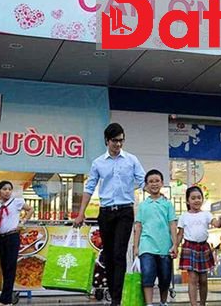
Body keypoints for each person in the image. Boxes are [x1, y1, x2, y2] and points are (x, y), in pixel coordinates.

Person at [73, 123, 145, 306]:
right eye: (114, 141)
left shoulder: (131, 160)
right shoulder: (98, 163)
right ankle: (113, 294)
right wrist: (81, 213)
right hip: (105, 212)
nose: (118, 144)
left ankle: (116, 299)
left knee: (120, 253)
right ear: (107, 141)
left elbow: (143, 181)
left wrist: (155, 195)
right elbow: (89, 188)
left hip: (125, 211)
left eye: (121, 140)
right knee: (109, 254)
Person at [132, 170, 179, 306]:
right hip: (146, 246)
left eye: (157, 181)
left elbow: (172, 225)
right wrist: (136, 247)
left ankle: (163, 302)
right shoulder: (142, 205)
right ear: (146, 185)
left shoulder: (167, 204)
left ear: (162, 183)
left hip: (165, 247)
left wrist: (175, 244)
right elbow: (138, 226)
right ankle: (149, 304)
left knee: (165, 278)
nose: (154, 184)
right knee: (147, 276)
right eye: (151, 181)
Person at [177, 186, 221, 306]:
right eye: (193, 198)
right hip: (189, 247)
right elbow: (180, 234)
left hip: (203, 247)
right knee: (193, 278)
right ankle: (194, 304)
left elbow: (217, 224)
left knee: (203, 280)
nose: (197, 200)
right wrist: (174, 247)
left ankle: (202, 304)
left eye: (199, 197)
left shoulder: (206, 214)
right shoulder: (184, 216)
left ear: (202, 199)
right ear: (187, 201)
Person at [0, 180, 33, 306]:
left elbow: (30, 209)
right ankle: (5, 297)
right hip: (2, 238)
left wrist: (22, 223)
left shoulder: (16, 202)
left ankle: (5, 299)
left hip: (13, 236)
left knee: (10, 267)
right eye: (4, 189)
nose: (7, 191)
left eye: (9, 189)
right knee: (4, 267)